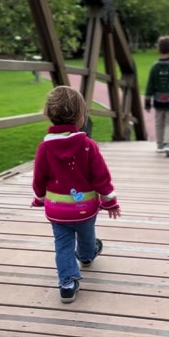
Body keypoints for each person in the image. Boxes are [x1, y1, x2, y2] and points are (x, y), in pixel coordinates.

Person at [31, 86, 121, 304]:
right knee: (87, 236)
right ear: (80, 118)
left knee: (62, 245)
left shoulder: (45, 148)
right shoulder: (88, 146)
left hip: (57, 210)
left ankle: (67, 284)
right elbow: (101, 176)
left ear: (49, 115)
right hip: (85, 209)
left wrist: (40, 198)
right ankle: (87, 255)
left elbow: (39, 178)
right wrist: (110, 201)